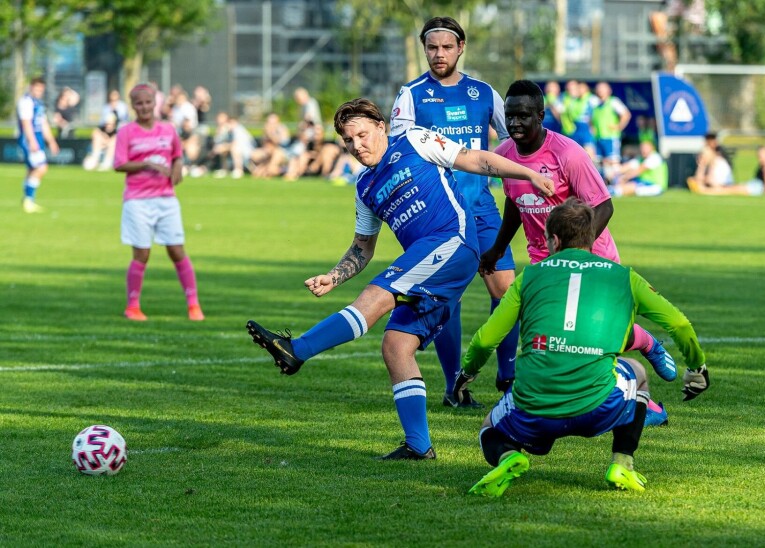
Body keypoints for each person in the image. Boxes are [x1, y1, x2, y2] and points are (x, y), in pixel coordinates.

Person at [246, 98, 554, 461]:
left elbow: (474, 159)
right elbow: (362, 248)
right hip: (430, 264)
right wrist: (334, 276)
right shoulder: (365, 186)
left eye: (362, 135)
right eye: (348, 140)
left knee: (375, 296)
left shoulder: (414, 140)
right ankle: (419, 445)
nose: (357, 145)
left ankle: (298, 350)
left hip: (451, 241)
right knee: (395, 346)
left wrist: (527, 174)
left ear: (381, 127)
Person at [454, 199, 709, 497]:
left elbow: (486, 340)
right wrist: (697, 367)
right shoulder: (624, 277)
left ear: (554, 240)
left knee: (489, 427)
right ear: (592, 238)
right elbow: (679, 323)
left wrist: (467, 373)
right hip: (597, 406)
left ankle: (508, 457)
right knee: (637, 371)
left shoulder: (530, 276)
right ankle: (622, 463)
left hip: (535, 409)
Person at [485, 80, 688, 426]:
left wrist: (578, 253)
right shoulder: (504, 155)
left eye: (523, 115)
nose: (515, 122)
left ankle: (644, 359)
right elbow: (515, 203)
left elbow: (604, 206)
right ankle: (636, 381)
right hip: (544, 259)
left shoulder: (568, 154)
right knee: (561, 337)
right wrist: (497, 249)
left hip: (593, 255)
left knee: (593, 336)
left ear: (541, 116)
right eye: (510, 115)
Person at [390, 16, 519, 408]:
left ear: (461, 47)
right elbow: (398, 155)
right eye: (432, 47)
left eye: (447, 47)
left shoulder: (484, 93)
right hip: (438, 215)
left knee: (508, 292)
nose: (439, 54)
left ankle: (508, 378)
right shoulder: (411, 95)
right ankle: (454, 388)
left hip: (481, 208)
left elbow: (512, 143)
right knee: (450, 299)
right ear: (424, 49)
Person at [113, 83, 204, 322]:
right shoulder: (126, 132)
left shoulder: (168, 129)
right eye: (139, 103)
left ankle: (194, 305)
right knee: (142, 253)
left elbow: (177, 155)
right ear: (133, 106)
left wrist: (178, 167)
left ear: (155, 103)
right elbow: (119, 164)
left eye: (148, 102)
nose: (144, 107)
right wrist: (147, 163)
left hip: (166, 199)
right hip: (137, 201)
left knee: (177, 250)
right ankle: (132, 307)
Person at [17, 77, 60, 213]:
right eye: (36, 89)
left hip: (39, 138)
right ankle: (28, 199)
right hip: (29, 139)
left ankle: (27, 199)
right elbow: (26, 123)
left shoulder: (39, 103)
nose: (39, 92)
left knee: (32, 169)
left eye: (41, 90)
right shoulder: (26, 102)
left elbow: (43, 124)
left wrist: (51, 141)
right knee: (41, 167)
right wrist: (32, 141)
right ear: (31, 87)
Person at [690, 145, 765, 197]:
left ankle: (706, 191)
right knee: (732, 188)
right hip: (755, 184)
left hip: (757, 187)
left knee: (730, 190)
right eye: (759, 153)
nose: (759, 155)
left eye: (762, 153)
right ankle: (705, 191)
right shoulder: (764, 164)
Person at [591, 82, 632, 177]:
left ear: (608, 91)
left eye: (602, 88)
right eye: (598, 88)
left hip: (610, 137)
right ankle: (604, 182)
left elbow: (626, 114)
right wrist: (592, 129)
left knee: (613, 162)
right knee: (599, 162)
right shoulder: (595, 104)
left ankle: (616, 182)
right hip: (598, 138)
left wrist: (619, 126)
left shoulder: (613, 102)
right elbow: (591, 119)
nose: (600, 91)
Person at [84, 90, 130, 171]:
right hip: (106, 133)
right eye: (111, 100)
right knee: (96, 134)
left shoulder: (122, 107)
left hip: (118, 134)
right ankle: (95, 157)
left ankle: (107, 162)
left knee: (114, 140)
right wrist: (104, 134)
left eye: (115, 100)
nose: (113, 102)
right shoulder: (106, 108)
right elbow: (102, 124)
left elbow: (124, 123)